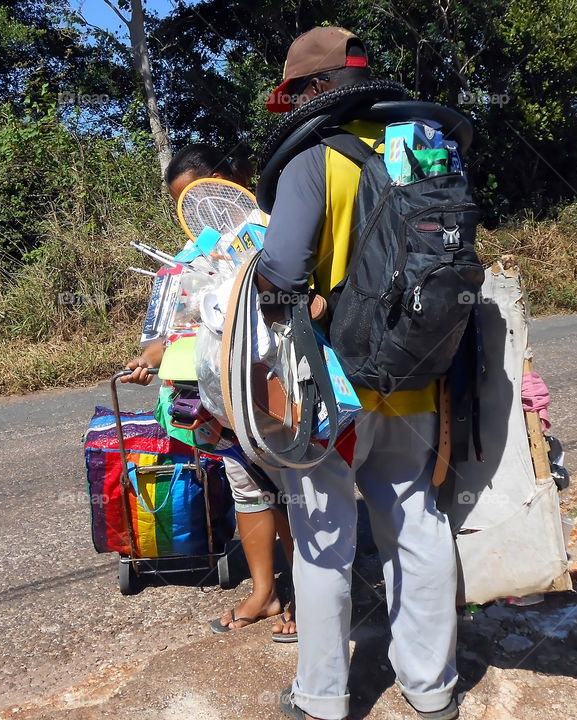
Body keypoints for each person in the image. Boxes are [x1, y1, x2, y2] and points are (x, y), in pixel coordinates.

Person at [256, 27, 459, 720]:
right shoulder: (426, 150)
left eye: (293, 97)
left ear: (314, 91)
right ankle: (432, 690)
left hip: (335, 389)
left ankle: (320, 697)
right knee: (416, 523)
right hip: (416, 374)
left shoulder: (314, 159)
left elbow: (280, 272)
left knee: (323, 537)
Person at [122, 143, 299, 641]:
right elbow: (166, 332)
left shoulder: (275, 228)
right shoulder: (187, 263)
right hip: (217, 401)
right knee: (248, 490)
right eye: (186, 206)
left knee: (288, 491)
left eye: (202, 197)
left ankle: (308, 595)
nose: (200, 213)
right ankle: (264, 594)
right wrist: (152, 355)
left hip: (270, 386)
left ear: (227, 180)